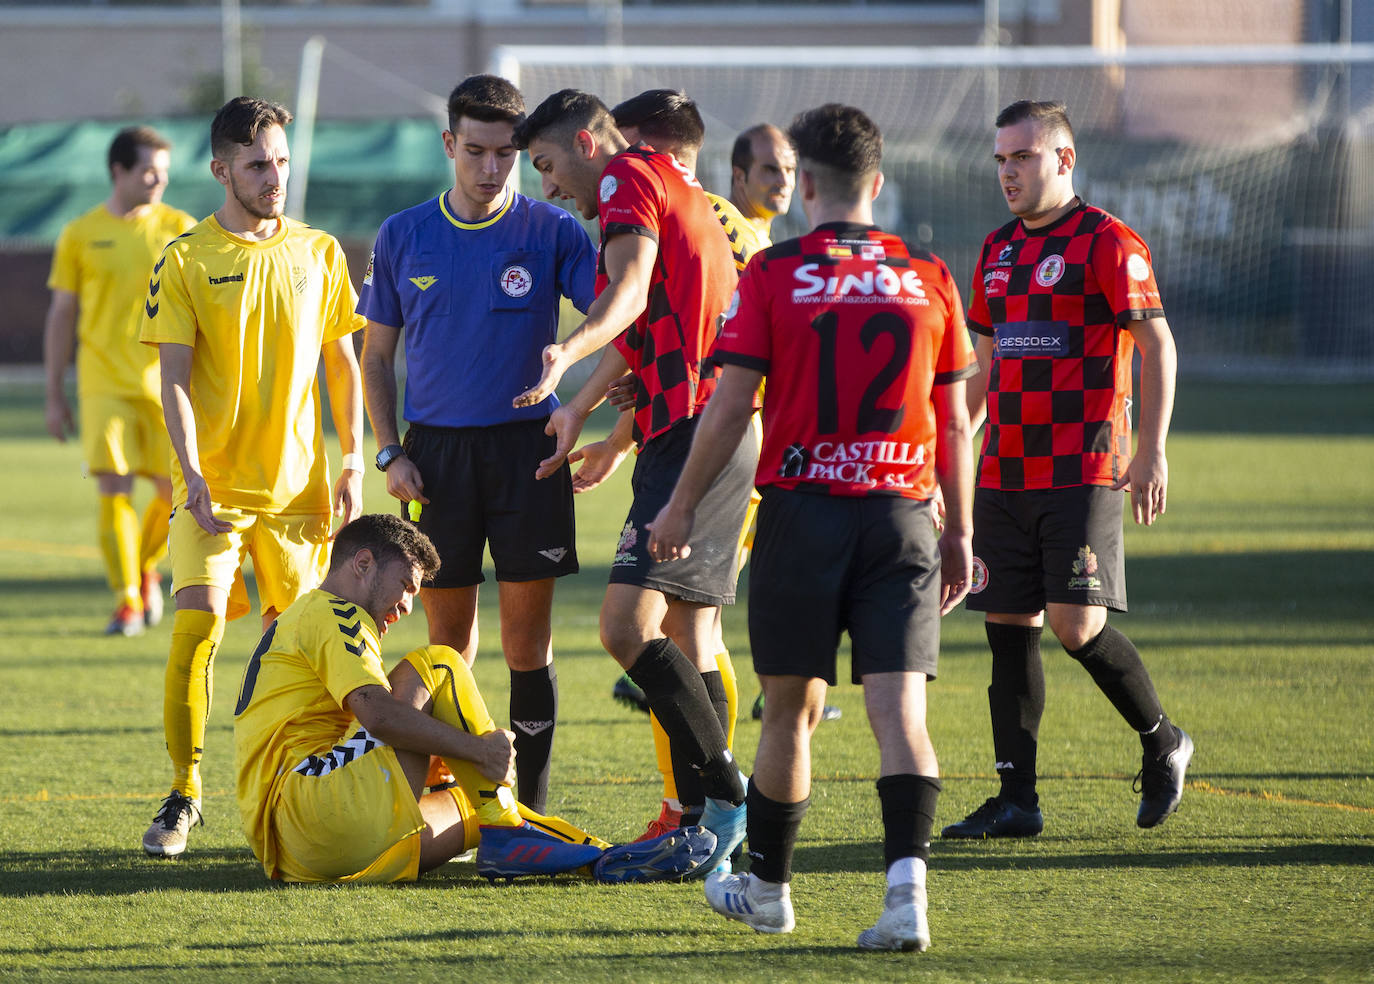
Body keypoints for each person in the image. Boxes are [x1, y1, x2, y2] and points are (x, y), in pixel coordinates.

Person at [648, 103, 977, 949]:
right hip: (903, 513)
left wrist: (680, 504)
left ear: (809, 190)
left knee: (788, 712)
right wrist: (961, 534)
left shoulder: (775, 273)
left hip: (801, 515)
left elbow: (727, 410)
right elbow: (956, 423)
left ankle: (768, 891)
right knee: (901, 715)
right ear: (876, 183)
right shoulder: (931, 276)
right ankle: (907, 900)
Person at [509, 89, 752, 874]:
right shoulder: (668, 181)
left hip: (696, 432)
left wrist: (565, 350)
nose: (547, 186)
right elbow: (645, 319)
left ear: (586, 142)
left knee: (624, 627)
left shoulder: (624, 180)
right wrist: (583, 409)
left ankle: (726, 794)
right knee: (684, 633)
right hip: (712, 429)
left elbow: (630, 291)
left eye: (546, 165)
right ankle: (701, 826)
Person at [942, 99, 1193, 841]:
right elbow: (986, 368)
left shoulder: (1109, 242)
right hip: (1003, 471)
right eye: (1000, 160)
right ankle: (1017, 801)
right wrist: (950, 456)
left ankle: (1162, 740)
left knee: (1076, 624)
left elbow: (1158, 348)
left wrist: (1151, 450)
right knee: (1007, 627)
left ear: (1063, 159)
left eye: (1022, 157)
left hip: (1083, 465)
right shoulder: (995, 250)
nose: (1008, 172)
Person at [232, 513, 715, 885]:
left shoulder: (302, 618)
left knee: (473, 809)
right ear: (362, 563)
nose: (406, 605)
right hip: (315, 808)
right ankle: (510, 821)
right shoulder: (335, 612)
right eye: (405, 586)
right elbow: (378, 716)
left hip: (301, 855)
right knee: (438, 663)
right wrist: (478, 749)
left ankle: (607, 857)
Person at [357, 74, 597, 816]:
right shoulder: (403, 235)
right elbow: (374, 357)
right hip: (437, 462)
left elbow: (624, 317)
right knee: (446, 646)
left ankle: (531, 808)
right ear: (449, 145)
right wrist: (391, 453)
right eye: (477, 152)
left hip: (529, 453)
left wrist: (589, 402)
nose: (492, 169)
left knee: (529, 646)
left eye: (507, 154)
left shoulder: (553, 232)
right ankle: (448, 799)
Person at [138, 96, 367, 858]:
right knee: (197, 624)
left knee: (299, 650)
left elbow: (344, 365)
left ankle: (299, 789)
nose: (275, 177)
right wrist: (191, 471)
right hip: (213, 491)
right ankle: (184, 792)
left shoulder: (320, 251)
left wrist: (351, 462)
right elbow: (172, 378)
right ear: (222, 169)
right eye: (258, 165)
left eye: (281, 161)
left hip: (300, 495)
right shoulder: (185, 257)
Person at [43, 126, 196, 636]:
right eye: (149, 170)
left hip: (166, 384)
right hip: (102, 381)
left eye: (164, 172)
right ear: (118, 171)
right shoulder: (80, 233)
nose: (158, 180)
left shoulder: (181, 229)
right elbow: (62, 314)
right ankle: (128, 600)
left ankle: (142, 569)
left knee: (169, 496)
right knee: (112, 487)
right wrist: (52, 394)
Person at [729, 123, 796, 248]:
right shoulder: (722, 234)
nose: (785, 182)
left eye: (790, 169)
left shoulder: (755, 237)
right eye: (771, 170)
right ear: (739, 176)